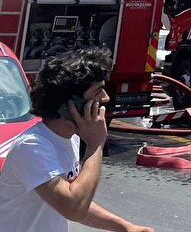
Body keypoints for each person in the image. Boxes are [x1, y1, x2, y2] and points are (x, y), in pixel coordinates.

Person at [0, 47, 153, 232]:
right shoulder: (33, 146)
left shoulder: (71, 137)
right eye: (98, 91)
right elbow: (73, 208)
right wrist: (96, 145)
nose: (105, 98)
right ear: (70, 103)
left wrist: (125, 227)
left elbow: (73, 198)